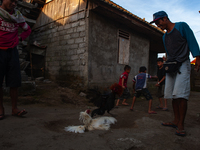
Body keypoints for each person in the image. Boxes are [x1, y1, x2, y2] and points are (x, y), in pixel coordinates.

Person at [150, 11, 200, 136]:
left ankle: (181, 124)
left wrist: (198, 57)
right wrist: (167, 66)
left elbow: (192, 41)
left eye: (158, 22)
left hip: (183, 64)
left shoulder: (181, 26)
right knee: (172, 94)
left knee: (181, 95)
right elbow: (169, 52)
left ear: (165, 18)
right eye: (155, 23)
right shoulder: (164, 37)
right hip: (171, 66)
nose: (157, 25)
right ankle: (175, 120)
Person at [0, 0, 31, 120]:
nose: (14, 4)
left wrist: (20, 38)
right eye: (11, 1)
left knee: (15, 81)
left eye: (16, 2)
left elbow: (27, 29)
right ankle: (1, 108)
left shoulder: (18, 16)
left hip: (12, 51)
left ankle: (14, 108)